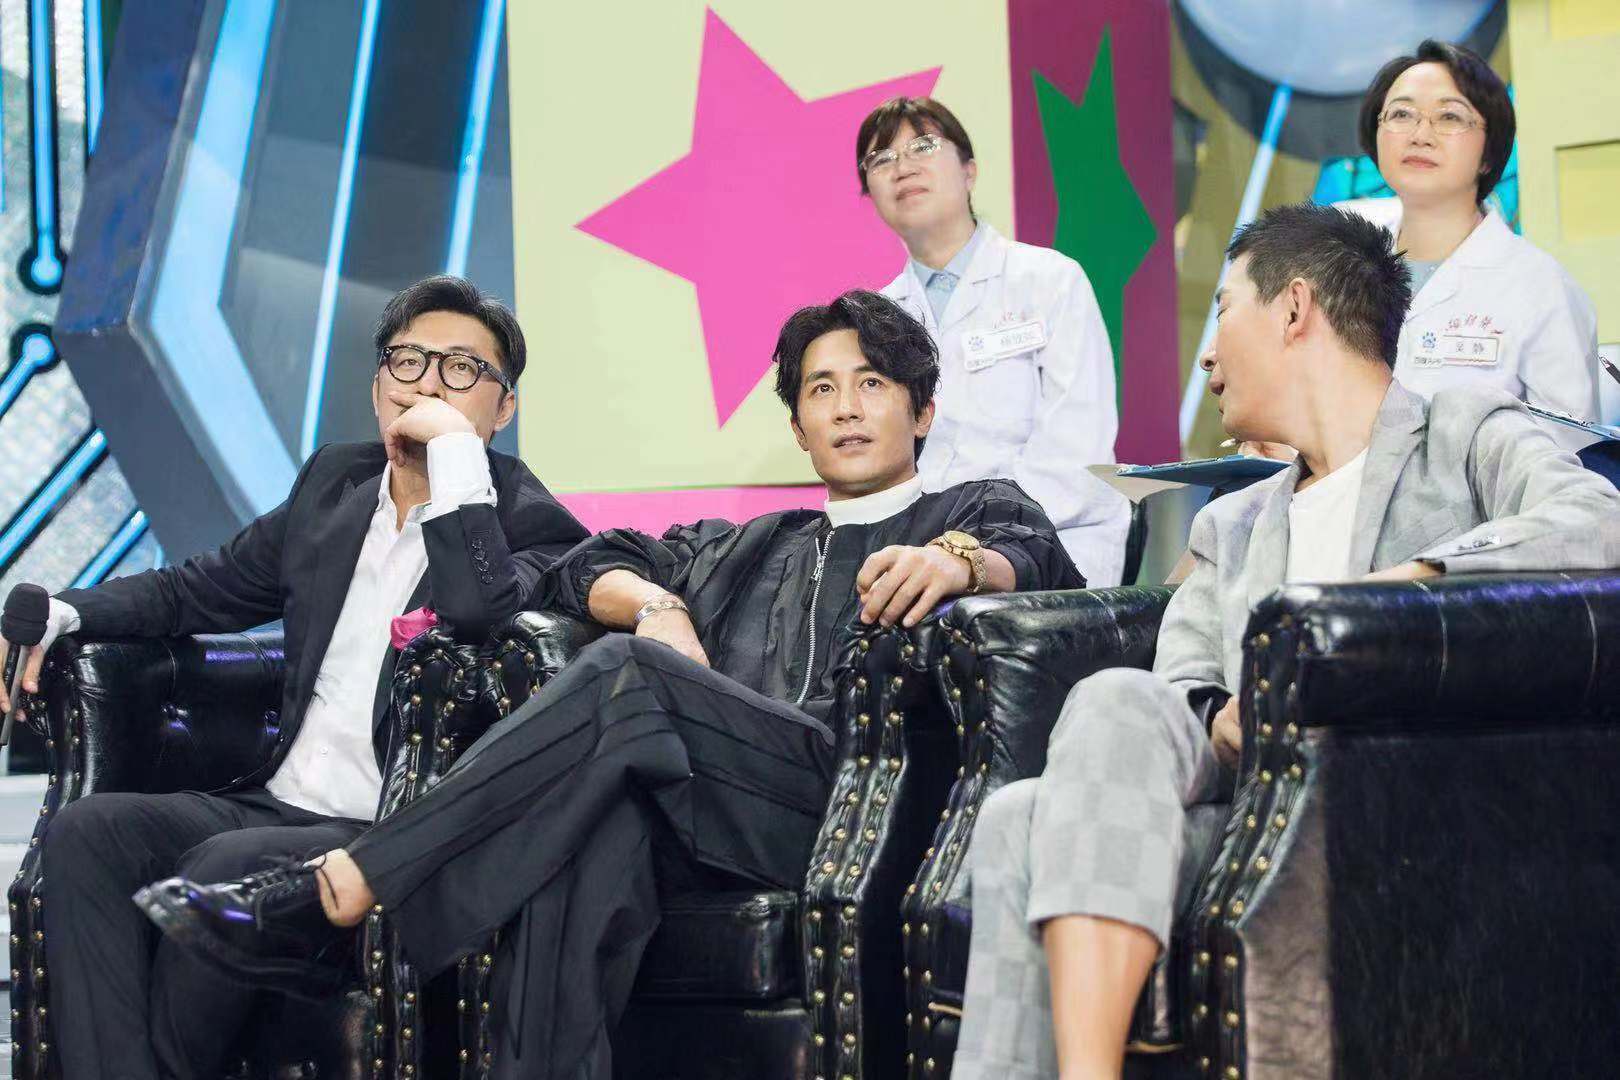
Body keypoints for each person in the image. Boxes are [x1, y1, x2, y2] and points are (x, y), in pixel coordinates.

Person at [134, 290, 1083, 1079]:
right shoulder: (744, 546)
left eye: (871, 384)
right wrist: (660, 605)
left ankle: (345, 888)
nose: (845, 407)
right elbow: (584, 565)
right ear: (797, 426)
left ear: (922, 411)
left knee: (631, 676)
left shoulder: (969, 508)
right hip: (707, 804)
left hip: (847, 804)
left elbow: (1033, 555)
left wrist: (960, 562)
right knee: (588, 832)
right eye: (820, 389)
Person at [949, 203, 1620, 1080]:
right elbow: (1183, 682)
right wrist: (1218, 715)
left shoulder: (1464, 432)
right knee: (1036, 792)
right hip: (1248, 812)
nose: (1207, 356)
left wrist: (1399, 588)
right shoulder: (1232, 524)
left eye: (1224, 308)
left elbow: (1596, 520)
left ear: (1295, 307)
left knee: (1034, 815)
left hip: (1400, 806)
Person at [4, 276, 590, 1080]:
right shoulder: (334, 486)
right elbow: (196, 589)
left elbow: (477, 611)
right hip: (276, 798)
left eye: (461, 369)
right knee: (88, 834)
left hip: (387, 830)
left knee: (225, 867)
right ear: (378, 384)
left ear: (504, 407)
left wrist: (455, 459)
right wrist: (64, 612)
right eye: (408, 361)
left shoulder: (534, 527)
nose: (427, 383)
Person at [858, 96, 1133, 586]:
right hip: (920, 556)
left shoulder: (1051, 281)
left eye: (923, 146)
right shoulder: (873, 319)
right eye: (881, 158)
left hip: (1055, 544)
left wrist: (967, 547)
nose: (903, 167)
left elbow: (1076, 448)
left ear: (969, 171)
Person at [1340, 39, 1600, 443]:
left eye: (1449, 116)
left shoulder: (1542, 288)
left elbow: (1570, 455)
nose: (1420, 135)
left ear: (1489, 153)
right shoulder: (1336, 261)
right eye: (1401, 114)